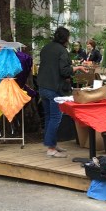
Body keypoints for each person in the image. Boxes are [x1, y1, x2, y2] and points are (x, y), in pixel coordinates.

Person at [37, 27, 72, 158]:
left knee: (48, 116)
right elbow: (64, 71)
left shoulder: (46, 48)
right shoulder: (62, 51)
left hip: (42, 86)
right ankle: (51, 149)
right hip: (55, 88)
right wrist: (76, 68)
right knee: (55, 118)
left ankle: (52, 143)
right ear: (66, 38)